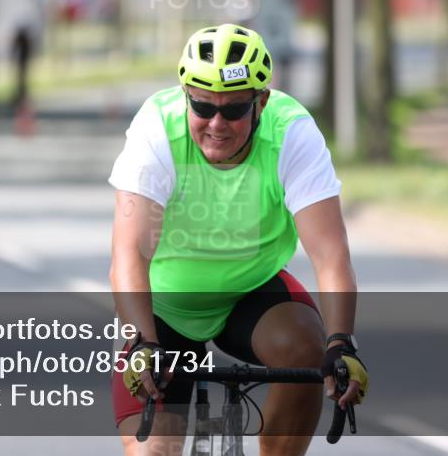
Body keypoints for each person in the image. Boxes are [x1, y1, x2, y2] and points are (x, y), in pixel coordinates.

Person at [108, 24, 367, 456]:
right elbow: (129, 254)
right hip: (161, 306)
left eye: (233, 111)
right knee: (155, 451)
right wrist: (142, 341)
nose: (216, 123)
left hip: (251, 292)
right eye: (202, 106)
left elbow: (331, 255)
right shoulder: (156, 130)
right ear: (185, 93)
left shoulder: (291, 133)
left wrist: (341, 343)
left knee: (307, 345)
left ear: (261, 101)